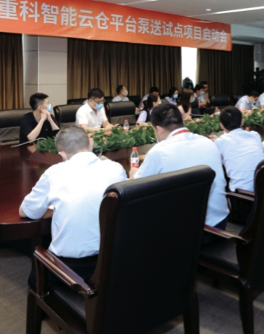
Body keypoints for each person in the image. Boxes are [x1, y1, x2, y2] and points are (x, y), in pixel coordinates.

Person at [20, 126, 127, 286]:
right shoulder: (116, 168)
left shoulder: (54, 173)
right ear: (91, 143)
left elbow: (27, 212)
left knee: (34, 276)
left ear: (62, 155)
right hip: (112, 261)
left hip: (72, 270)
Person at [129, 104, 228, 231]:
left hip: (185, 232)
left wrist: (133, 173)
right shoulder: (208, 142)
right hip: (219, 224)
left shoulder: (159, 151)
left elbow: (135, 189)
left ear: (158, 129)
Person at [214, 106, 264, 193]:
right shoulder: (255, 135)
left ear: (221, 125)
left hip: (242, 195)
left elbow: (217, 163)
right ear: (242, 122)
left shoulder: (221, 141)